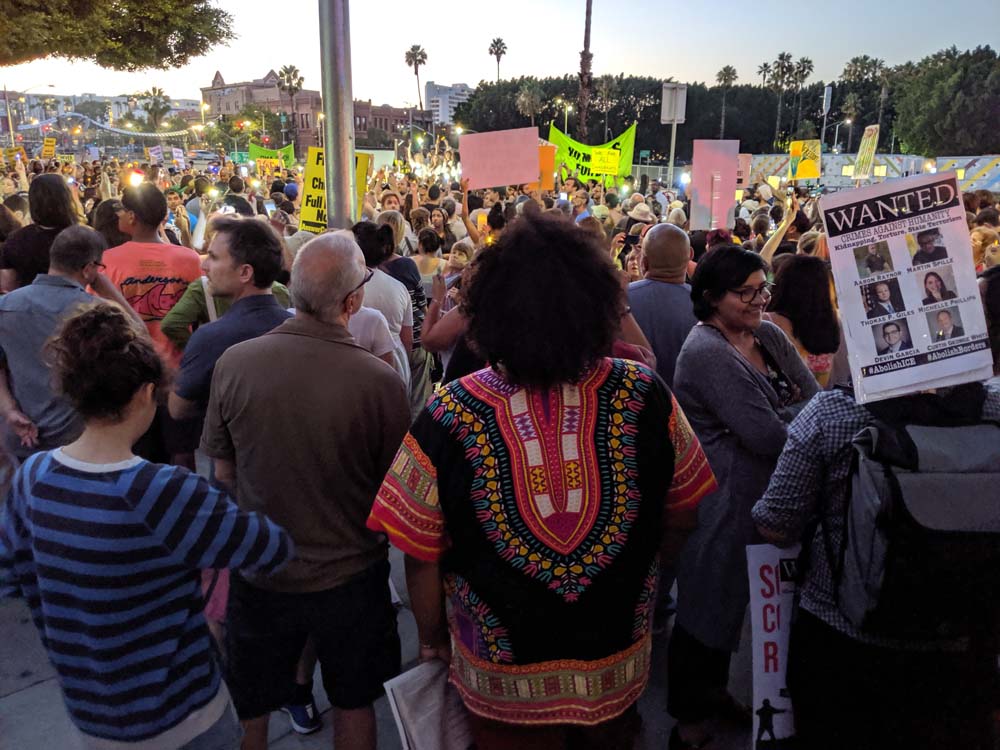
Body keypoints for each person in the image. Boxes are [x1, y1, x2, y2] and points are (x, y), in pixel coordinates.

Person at [367, 212, 717, 750]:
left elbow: (419, 549)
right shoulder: (645, 393)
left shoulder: (451, 409)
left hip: (498, 680)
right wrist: (637, 582)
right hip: (614, 660)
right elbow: (685, 512)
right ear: (601, 304)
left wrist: (432, 639)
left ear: (489, 310)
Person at [0, 302, 293, 750]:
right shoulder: (161, 492)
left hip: (91, 715)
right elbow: (269, 548)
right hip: (183, 715)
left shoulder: (33, 478)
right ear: (143, 393)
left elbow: (11, 576)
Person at [202, 232, 410, 750]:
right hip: (352, 578)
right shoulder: (380, 383)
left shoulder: (236, 363)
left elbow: (222, 475)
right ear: (353, 301)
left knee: (252, 708)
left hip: (261, 573)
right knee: (354, 703)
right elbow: (397, 494)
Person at [752, 381, 1000, 750]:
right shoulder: (993, 410)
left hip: (845, 641)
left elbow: (775, 523)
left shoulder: (831, 412)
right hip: (963, 642)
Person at [667, 247, 818, 749]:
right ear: (710, 297)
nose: (759, 299)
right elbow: (771, 435)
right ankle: (689, 719)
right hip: (723, 499)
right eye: (746, 291)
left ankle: (716, 695)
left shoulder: (767, 333)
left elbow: (813, 400)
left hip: (773, 492)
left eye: (763, 288)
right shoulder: (706, 351)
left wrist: (788, 416)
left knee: (745, 607)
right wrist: (790, 416)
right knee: (707, 607)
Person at [0, 225, 140, 462]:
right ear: (89, 269)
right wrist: (105, 287)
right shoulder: (96, 311)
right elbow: (140, 335)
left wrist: (9, 409)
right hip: (76, 440)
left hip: (22, 434)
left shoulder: (7, 305)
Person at [167, 216, 290, 420]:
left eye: (214, 258)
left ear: (245, 272)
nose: (204, 266)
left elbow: (177, 409)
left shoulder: (210, 339)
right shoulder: (300, 327)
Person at [102, 183, 202, 368]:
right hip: (181, 364)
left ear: (132, 216)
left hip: (129, 367)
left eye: (122, 210)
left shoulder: (107, 261)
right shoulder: (189, 258)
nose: (119, 215)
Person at [627, 223, 697, 387]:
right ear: (690, 255)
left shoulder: (618, 301)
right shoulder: (707, 306)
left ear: (644, 261)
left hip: (631, 404)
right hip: (685, 407)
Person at [765, 255, 845, 388]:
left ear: (782, 284)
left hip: (780, 406)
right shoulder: (837, 322)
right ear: (825, 288)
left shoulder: (767, 322)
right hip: (823, 404)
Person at [0, 173, 79, 291]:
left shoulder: (16, 239)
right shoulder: (82, 237)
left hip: (26, 305)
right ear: (66, 200)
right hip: (76, 305)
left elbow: (8, 285)